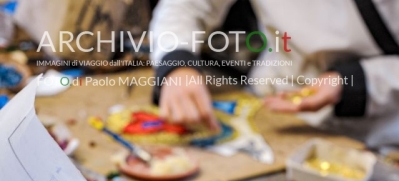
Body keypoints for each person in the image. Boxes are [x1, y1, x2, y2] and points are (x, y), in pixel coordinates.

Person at [150, 0, 399, 147]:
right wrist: (176, 63)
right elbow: (185, 6)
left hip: (375, 132)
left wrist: (355, 81)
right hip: (271, 108)